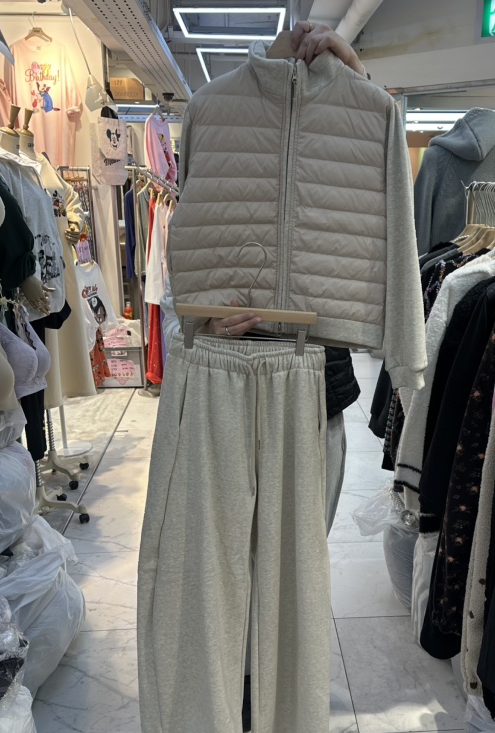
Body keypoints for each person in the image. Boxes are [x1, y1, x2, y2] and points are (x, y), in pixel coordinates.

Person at [160, 20, 369, 534]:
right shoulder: (213, 111)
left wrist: (355, 80)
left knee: (303, 553)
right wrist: (202, 323)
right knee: (229, 551)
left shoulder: (351, 119)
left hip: (317, 385)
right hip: (231, 383)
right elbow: (187, 249)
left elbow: (373, 212)